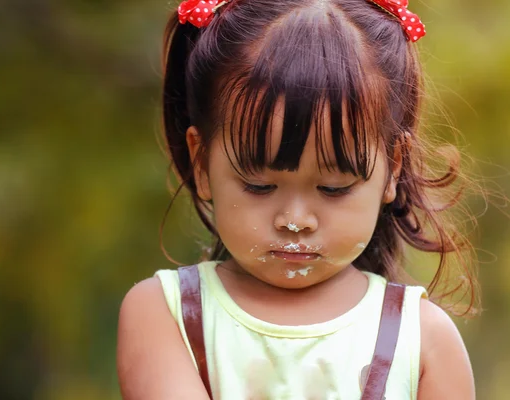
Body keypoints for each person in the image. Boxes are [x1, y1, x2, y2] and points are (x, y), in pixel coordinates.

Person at [117, 0, 479, 398]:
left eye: (334, 188)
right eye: (259, 185)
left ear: (393, 167)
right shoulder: (167, 314)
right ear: (201, 163)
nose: (295, 219)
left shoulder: (423, 339)